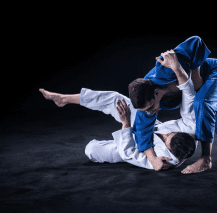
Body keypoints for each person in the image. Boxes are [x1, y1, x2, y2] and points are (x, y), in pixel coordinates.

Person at [128, 36, 217, 174]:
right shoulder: (145, 102)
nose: (149, 112)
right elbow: (142, 130)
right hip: (203, 91)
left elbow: (195, 42)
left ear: (156, 93)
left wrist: (195, 73)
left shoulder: (165, 68)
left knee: (202, 102)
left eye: (150, 108)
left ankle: (206, 159)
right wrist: (153, 160)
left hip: (216, 74)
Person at [38, 63, 197, 170]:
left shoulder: (164, 161)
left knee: (91, 149)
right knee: (116, 99)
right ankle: (63, 99)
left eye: (166, 139)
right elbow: (190, 97)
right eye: (170, 133)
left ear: (170, 151)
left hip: (130, 147)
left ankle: (107, 144)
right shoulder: (190, 131)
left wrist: (126, 123)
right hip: (146, 126)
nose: (166, 134)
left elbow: (129, 153)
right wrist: (178, 68)